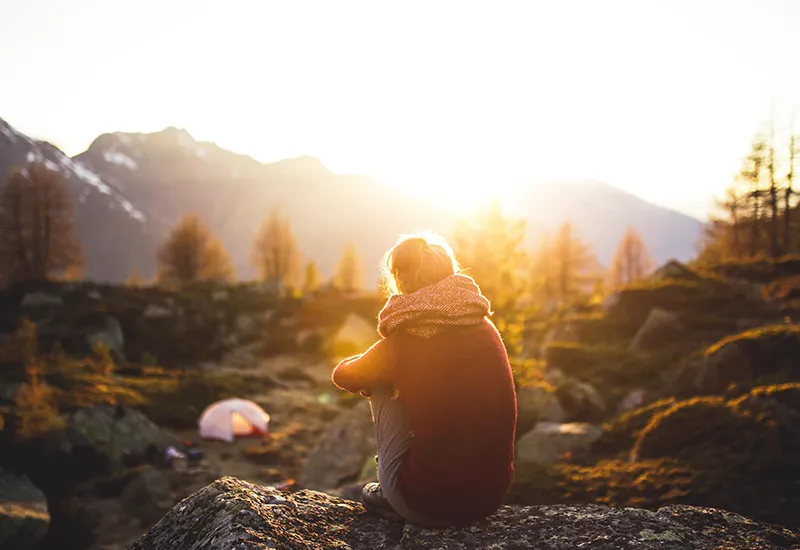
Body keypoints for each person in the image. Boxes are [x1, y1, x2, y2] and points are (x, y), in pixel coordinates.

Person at [331, 233, 518, 527]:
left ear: (401, 280)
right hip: (488, 500)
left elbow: (344, 376)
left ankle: (391, 486)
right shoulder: (484, 325)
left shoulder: (406, 339)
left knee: (378, 381)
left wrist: (384, 369)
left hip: (425, 504)